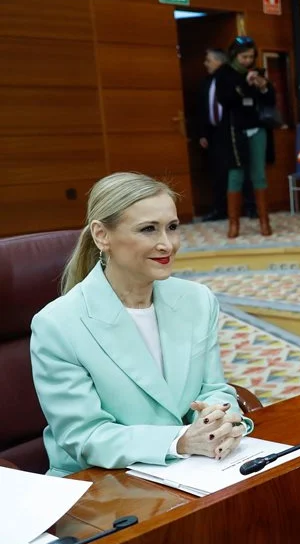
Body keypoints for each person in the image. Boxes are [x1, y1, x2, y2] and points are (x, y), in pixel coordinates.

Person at [30, 173, 252, 476]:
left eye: (172, 227)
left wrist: (219, 420)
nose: (167, 244)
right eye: (148, 229)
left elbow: (213, 389)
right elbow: (85, 437)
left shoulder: (197, 300)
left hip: (195, 471)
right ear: (101, 235)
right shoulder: (56, 325)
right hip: (100, 486)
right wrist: (181, 441)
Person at [214, 35, 275, 238]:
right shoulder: (224, 73)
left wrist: (263, 85)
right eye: (244, 57)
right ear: (234, 55)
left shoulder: (257, 72)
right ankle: (234, 224)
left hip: (257, 128)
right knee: (236, 174)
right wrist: (245, 85)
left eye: (251, 57)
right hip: (234, 130)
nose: (248, 61)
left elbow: (270, 99)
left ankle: (264, 221)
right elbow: (225, 99)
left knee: (259, 173)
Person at [198, 48, 229, 222]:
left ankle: (248, 207)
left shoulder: (229, 79)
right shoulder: (207, 82)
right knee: (217, 173)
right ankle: (219, 209)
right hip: (213, 133)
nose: (206, 64)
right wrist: (203, 134)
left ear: (219, 61)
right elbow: (202, 109)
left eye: (208, 60)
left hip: (230, 131)